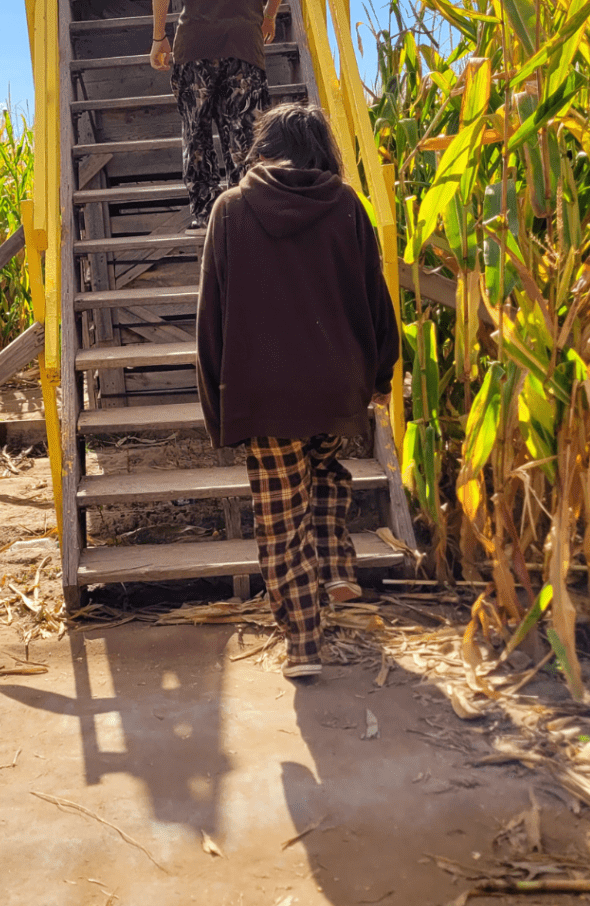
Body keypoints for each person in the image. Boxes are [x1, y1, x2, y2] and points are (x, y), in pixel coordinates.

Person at [195, 103, 399, 682]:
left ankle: (304, 643)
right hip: (336, 385)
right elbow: (374, 297)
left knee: (281, 518)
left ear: (264, 148)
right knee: (327, 468)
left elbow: (212, 316)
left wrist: (217, 407)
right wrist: (381, 377)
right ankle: (335, 566)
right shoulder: (348, 206)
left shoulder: (230, 209)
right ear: (321, 152)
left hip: (265, 395)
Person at [150, 0, 280, 232]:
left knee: (196, 136)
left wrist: (159, 37)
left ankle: (206, 215)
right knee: (246, 139)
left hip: (194, 43)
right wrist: (269, 15)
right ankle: (247, 213)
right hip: (244, 42)